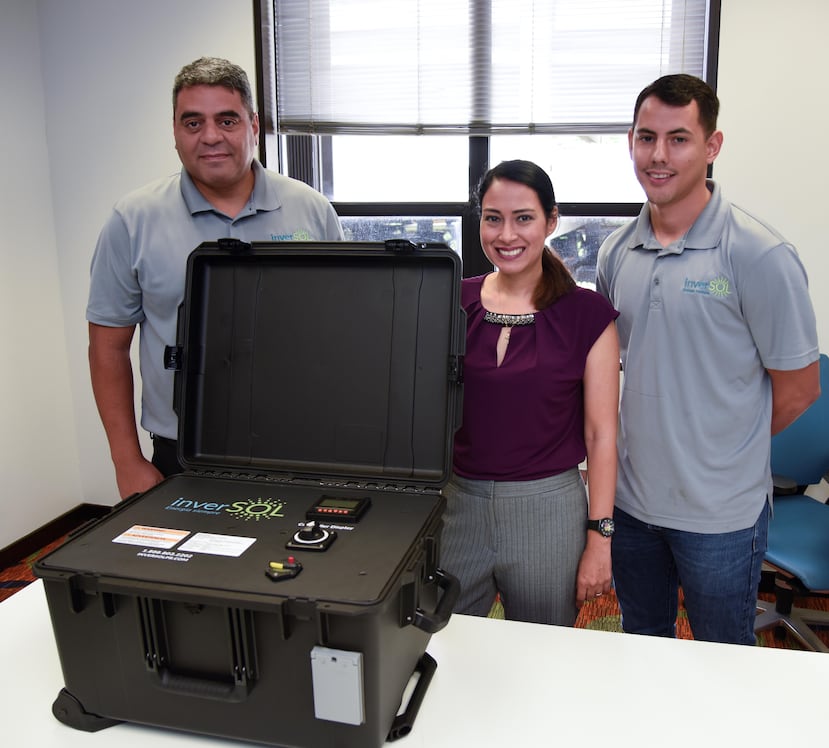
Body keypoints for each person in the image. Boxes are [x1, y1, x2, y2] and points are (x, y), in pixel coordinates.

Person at [596, 74, 820, 645]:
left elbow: (799, 387)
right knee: (643, 638)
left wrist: (725, 447)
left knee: (724, 658)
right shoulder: (615, 252)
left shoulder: (759, 254)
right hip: (634, 503)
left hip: (721, 516)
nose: (659, 156)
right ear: (631, 141)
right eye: (646, 138)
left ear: (712, 146)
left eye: (679, 139)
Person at [87, 57, 344, 500]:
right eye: (192, 122)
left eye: (227, 120)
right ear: (174, 131)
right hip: (182, 451)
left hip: (299, 443)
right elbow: (107, 348)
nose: (210, 137)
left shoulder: (311, 210)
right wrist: (127, 462)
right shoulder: (133, 219)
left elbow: (342, 331)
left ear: (253, 125)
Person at [440, 159, 620, 626]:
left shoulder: (588, 314)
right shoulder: (450, 302)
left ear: (551, 221)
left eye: (524, 218)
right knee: (445, 644)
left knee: (545, 655)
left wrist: (600, 537)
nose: (506, 235)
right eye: (493, 217)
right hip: (458, 504)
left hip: (548, 510)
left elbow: (602, 435)